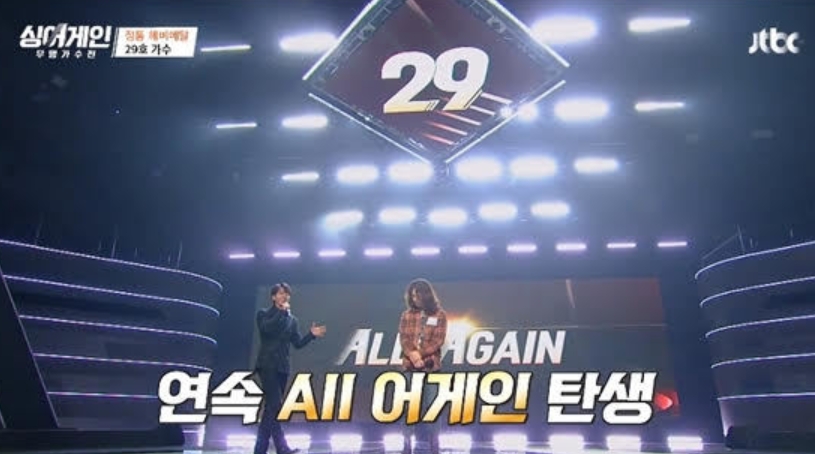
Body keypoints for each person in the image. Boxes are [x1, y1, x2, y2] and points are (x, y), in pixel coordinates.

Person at [253, 283, 327, 454]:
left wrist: (311, 335)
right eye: (280, 293)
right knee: (275, 405)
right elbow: (266, 329)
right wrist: (281, 312)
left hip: (282, 367)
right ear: (273, 297)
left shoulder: (292, 320)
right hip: (267, 365)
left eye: (286, 294)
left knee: (271, 410)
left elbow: (297, 343)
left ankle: (261, 450)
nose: (284, 296)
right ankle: (282, 448)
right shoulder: (264, 314)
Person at [398, 279, 448, 454]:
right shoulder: (406, 315)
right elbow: (404, 339)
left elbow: (438, 341)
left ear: (426, 295)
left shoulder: (439, 315)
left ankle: (434, 443)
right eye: (412, 296)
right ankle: (406, 443)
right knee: (408, 407)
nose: (415, 299)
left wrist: (419, 354)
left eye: (417, 295)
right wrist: (412, 355)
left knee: (432, 407)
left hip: (431, 368)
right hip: (410, 367)